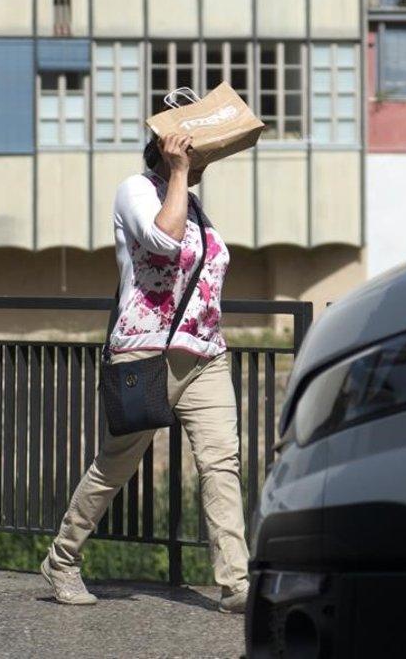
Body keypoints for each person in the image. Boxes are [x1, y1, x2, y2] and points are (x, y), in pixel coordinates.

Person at [40, 132, 250, 614]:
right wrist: (177, 171)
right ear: (169, 149)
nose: (202, 164)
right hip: (146, 353)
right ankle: (62, 558)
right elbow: (162, 241)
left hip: (205, 354)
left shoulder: (194, 207)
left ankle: (236, 584)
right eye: (195, 154)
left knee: (222, 464)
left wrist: (183, 181)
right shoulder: (135, 190)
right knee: (116, 464)